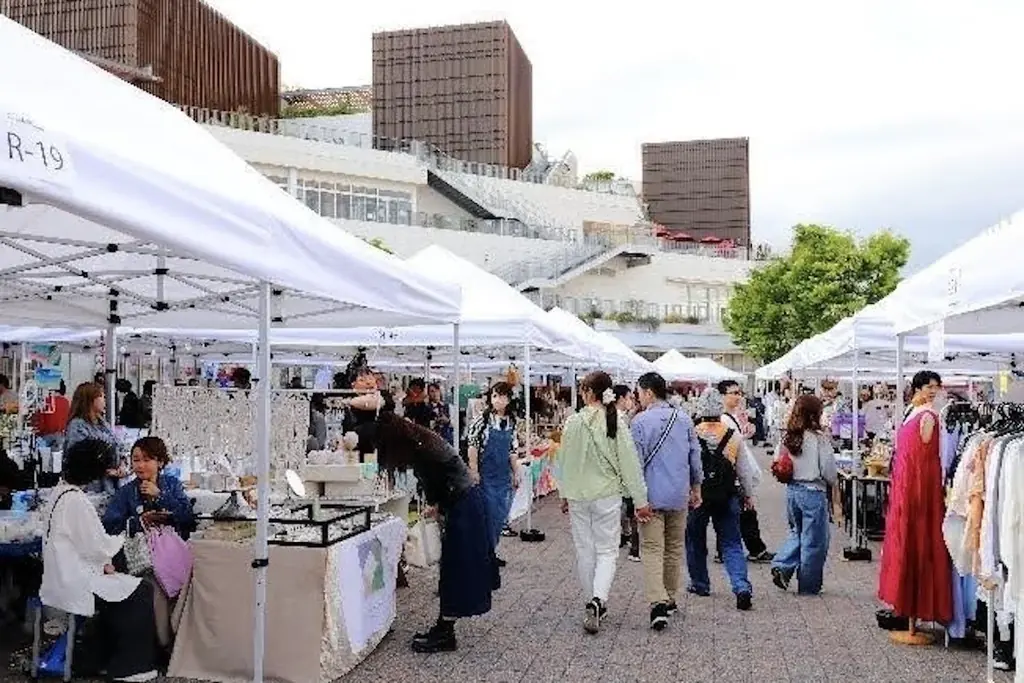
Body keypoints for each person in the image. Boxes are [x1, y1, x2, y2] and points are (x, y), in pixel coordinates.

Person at [374, 411, 496, 654]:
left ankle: (445, 631)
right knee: (454, 569)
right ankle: (444, 626)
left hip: (463, 506)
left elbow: (443, 482)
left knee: (455, 569)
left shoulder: (423, 449)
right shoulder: (423, 442)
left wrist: (438, 505)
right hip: (464, 503)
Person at [41, 438, 158, 682]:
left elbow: (84, 545)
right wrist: (123, 539)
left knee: (125, 585)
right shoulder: (76, 500)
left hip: (60, 575)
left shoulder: (58, 493)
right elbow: (98, 546)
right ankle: (130, 667)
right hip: (74, 580)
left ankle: (102, 658)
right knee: (141, 591)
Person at [558, 371, 651, 634]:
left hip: (577, 494)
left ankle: (592, 600)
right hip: (607, 494)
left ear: (588, 392)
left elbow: (563, 461)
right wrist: (640, 499)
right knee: (607, 550)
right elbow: (630, 463)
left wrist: (564, 492)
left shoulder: (573, 421)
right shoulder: (616, 421)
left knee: (584, 550)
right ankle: (599, 599)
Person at [103, 436, 194, 653]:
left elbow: (188, 518)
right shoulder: (126, 492)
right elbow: (110, 524)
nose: (140, 465)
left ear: (160, 462)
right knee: (155, 583)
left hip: (174, 553)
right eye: (136, 460)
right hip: (144, 557)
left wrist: (160, 496)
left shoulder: (171, 485)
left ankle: (180, 642)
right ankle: (164, 645)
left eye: (147, 459)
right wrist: (139, 521)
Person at [630, 372, 703, 630]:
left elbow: (635, 463)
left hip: (650, 494)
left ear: (649, 392)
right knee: (673, 548)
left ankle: (657, 602)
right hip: (678, 493)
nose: (637, 396)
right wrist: (696, 487)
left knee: (651, 549)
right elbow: (695, 457)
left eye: (639, 391)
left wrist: (636, 497)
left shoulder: (639, 422)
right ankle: (669, 597)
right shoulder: (683, 420)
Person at [686, 388, 756, 611]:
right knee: (731, 542)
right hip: (727, 493)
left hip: (699, 494)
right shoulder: (732, 434)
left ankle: (700, 583)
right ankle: (741, 586)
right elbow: (743, 469)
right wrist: (748, 494)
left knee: (695, 540)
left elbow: (685, 466)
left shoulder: (692, 433)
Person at [770, 394, 837, 595]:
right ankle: (808, 585)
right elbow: (828, 470)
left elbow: (777, 459)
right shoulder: (818, 438)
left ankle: (782, 564)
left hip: (792, 490)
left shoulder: (788, 436)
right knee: (814, 541)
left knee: (796, 532)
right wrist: (833, 485)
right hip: (813, 492)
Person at [717, 380, 773, 563]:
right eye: (733, 393)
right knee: (741, 512)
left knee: (742, 513)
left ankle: (753, 548)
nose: (738, 396)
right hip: (732, 474)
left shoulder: (731, 417)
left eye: (739, 392)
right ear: (723, 396)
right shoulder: (724, 419)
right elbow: (731, 447)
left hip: (737, 474)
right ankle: (746, 549)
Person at [466, 382, 520, 566]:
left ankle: (490, 552)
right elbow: (472, 446)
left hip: (503, 476)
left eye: (502, 396)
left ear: (509, 399)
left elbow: (513, 450)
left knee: (499, 516)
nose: (498, 400)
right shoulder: (482, 420)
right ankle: (483, 555)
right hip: (486, 475)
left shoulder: (511, 421)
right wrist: (474, 471)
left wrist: (516, 472)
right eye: (495, 396)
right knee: (487, 516)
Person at [65, 381, 122, 492]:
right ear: (90, 400)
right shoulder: (78, 426)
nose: (104, 400)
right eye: (100, 396)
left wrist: (122, 465)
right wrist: (106, 470)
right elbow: (80, 460)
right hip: (90, 489)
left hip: (110, 486)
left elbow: (117, 446)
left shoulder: (103, 424)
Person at [613, 384, 641, 562]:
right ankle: (627, 538)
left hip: (622, 470)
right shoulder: (619, 419)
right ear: (621, 398)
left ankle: (625, 536)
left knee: (626, 506)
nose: (631, 401)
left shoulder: (624, 417)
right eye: (629, 397)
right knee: (627, 506)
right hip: (623, 470)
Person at [33, 381, 70, 450]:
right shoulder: (66, 402)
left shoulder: (46, 401)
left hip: (46, 437)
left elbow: (41, 424)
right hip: (61, 436)